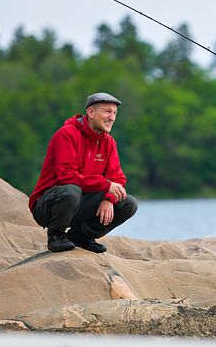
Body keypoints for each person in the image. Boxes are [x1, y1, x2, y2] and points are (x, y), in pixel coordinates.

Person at [29, 92, 138, 253]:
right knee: (72, 190)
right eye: (107, 111)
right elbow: (66, 176)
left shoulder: (108, 142)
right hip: (48, 206)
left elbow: (117, 178)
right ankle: (56, 236)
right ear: (91, 112)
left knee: (128, 203)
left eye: (115, 113)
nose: (112, 117)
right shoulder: (67, 134)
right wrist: (105, 185)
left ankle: (80, 236)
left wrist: (108, 199)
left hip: (79, 202)